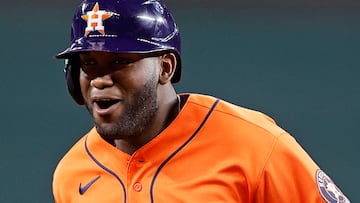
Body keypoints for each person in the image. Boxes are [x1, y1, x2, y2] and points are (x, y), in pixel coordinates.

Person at [52, 0, 351, 202]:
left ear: (165, 67)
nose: (100, 79)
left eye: (119, 61)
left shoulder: (254, 145)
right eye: (88, 63)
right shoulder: (71, 175)